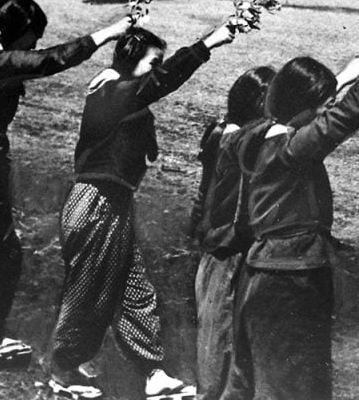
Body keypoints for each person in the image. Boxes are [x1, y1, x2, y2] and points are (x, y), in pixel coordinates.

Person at [227, 9, 359, 400]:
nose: (326, 108)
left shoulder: (254, 136)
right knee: (299, 385)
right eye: (320, 104)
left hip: (260, 276)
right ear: (302, 105)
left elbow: (306, 111)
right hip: (293, 277)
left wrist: (344, 75)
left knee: (254, 380)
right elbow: (351, 112)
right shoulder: (291, 150)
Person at [0, 0, 134, 368]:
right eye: (30, 39)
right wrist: (110, 32)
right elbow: (50, 61)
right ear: (16, 34)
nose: (32, 46)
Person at [47, 21, 237, 400]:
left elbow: (152, 86)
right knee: (87, 293)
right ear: (133, 61)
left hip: (112, 207)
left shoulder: (114, 90)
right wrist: (211, 41)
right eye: (153, 62)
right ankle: (62, 370)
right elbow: (163, 81)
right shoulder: (113, 92)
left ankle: (152, 373)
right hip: (96, 205)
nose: (157, 69)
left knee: (136, 291)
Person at [189, 66, 276, 400]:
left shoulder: (222, 131)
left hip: (220, 246)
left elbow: (204, 190)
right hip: (226, 250)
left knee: (225, 339)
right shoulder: (242, 139)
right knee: (220, 343)